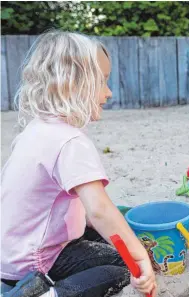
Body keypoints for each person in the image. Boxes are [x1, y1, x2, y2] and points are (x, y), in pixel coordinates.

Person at [1, 30, 157, 297]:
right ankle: (43, 294)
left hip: (11, 253)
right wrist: (140, 258)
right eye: (102, 82)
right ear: (72, 84)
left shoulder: (35, 129)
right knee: (122, 268)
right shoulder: (70, 141)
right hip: (34, 263)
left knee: (109, 235)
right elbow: (98, 210)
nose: (108, 93)